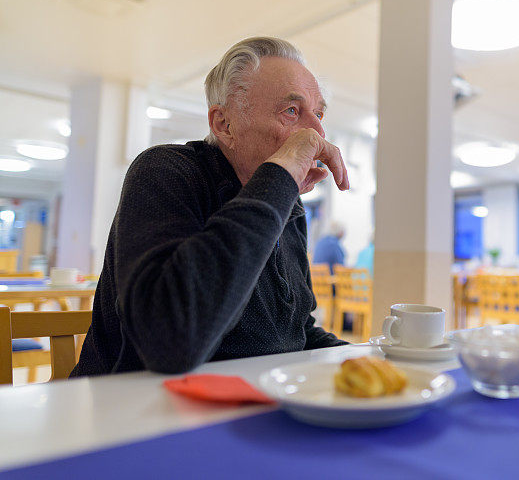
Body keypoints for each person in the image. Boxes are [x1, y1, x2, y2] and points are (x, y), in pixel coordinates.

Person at [72, 37, 350, 376]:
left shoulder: (288, 205)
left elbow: (296, 332)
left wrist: (369, 361)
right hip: (135, 413)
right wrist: (279, 176)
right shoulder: (165, 171)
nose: (317, 132)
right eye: (292, 111)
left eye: (318, 114)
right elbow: (171, 341)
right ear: (223, 124)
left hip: (252, 407)